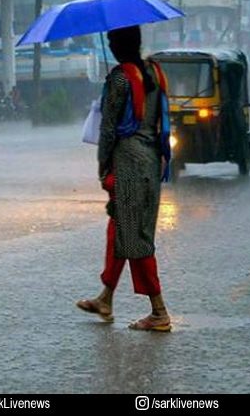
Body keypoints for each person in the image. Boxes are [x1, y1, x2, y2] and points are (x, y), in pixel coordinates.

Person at [76, 25, 173, 332]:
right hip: (151, 160)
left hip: (128, 162)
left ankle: (159, 311)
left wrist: (103, 164)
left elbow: (107, 129)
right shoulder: (155, 72)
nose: (111, 45)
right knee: (121, 229)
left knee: (134, 237)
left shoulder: (119, 78)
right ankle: (106, 297)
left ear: (119, 44)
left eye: (111, 40)